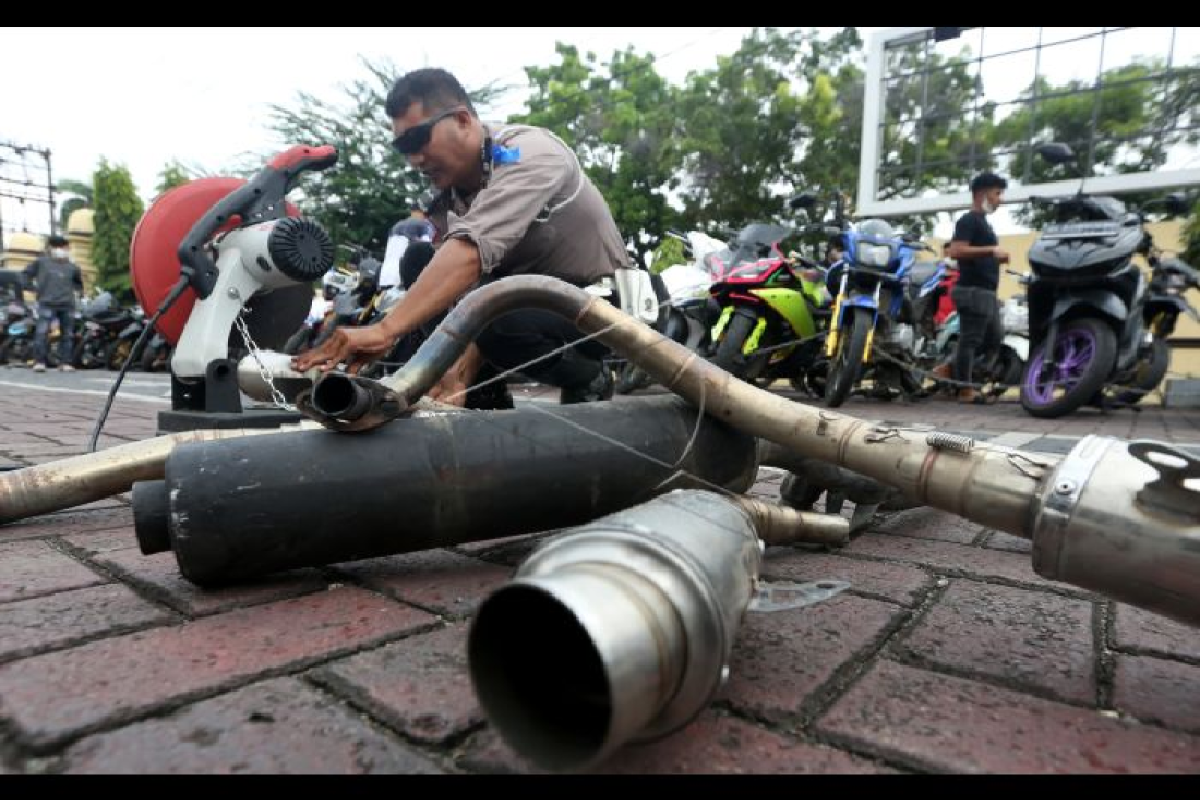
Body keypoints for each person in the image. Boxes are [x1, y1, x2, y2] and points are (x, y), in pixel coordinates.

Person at [293, 67, 631, 407]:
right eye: (402, 147)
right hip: (521, 303)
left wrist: (385, 330)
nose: (413, 159)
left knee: (492, 312)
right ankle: (476, 394)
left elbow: (470, 256)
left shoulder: (529, 153)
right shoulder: (447, 198)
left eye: (417, 140)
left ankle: (588, 377)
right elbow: (470, 287)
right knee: (420, 260)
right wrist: (453, 367)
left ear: (463, 120)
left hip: (604, 308)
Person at [945, 172, 1009, 404]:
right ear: (982, 193)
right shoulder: (968, 220)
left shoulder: (983, 223)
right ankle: (964, 389)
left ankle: (953, 372)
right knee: (970, 339)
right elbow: (956, 251)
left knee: (994, 339)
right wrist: (992, 251)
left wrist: (993, 257)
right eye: (997, 193)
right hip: (972, 291)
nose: (999, 199)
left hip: (986, 292)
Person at [24, 234, 82, 372]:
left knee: (67, 334)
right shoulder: (41, 262)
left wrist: (78, 293)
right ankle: (39, 361)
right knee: (42, 332)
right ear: (50, 248)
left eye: (64, 247)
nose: (62, 250)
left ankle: (65, 362)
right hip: (46, 302)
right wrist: (31, 288)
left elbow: (78, 283)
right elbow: (25, 274)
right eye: (59, 247)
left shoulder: (72, 266)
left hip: (67, 303)